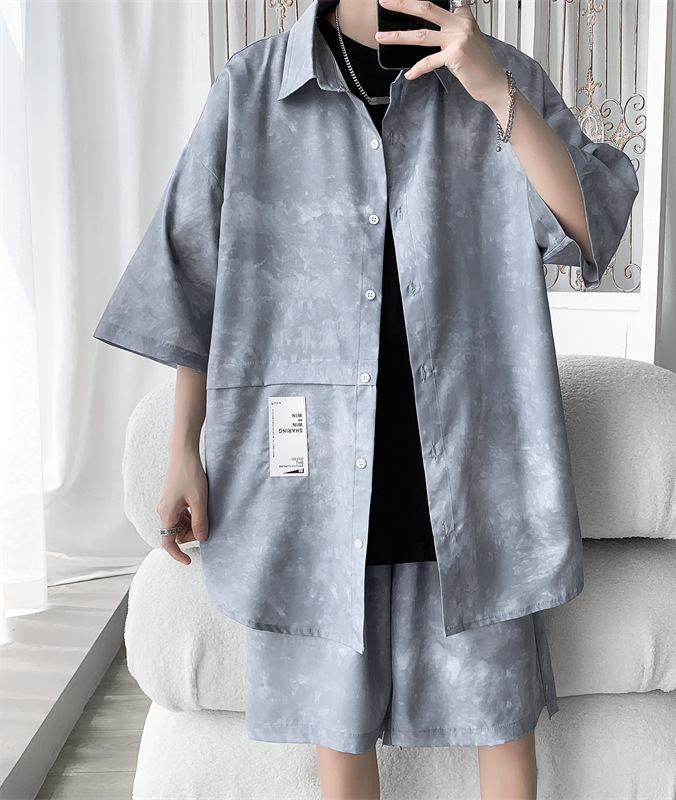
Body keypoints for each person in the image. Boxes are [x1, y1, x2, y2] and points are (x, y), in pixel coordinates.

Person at [94, 0, 639, 797]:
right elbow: (193, 282)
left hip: (474, 469)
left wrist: (494, 90)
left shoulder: (499, 74)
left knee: (502, 718)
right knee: (340, 731)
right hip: (317, 479)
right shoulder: (254, 90)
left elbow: (589, 227)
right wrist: (184, 448)